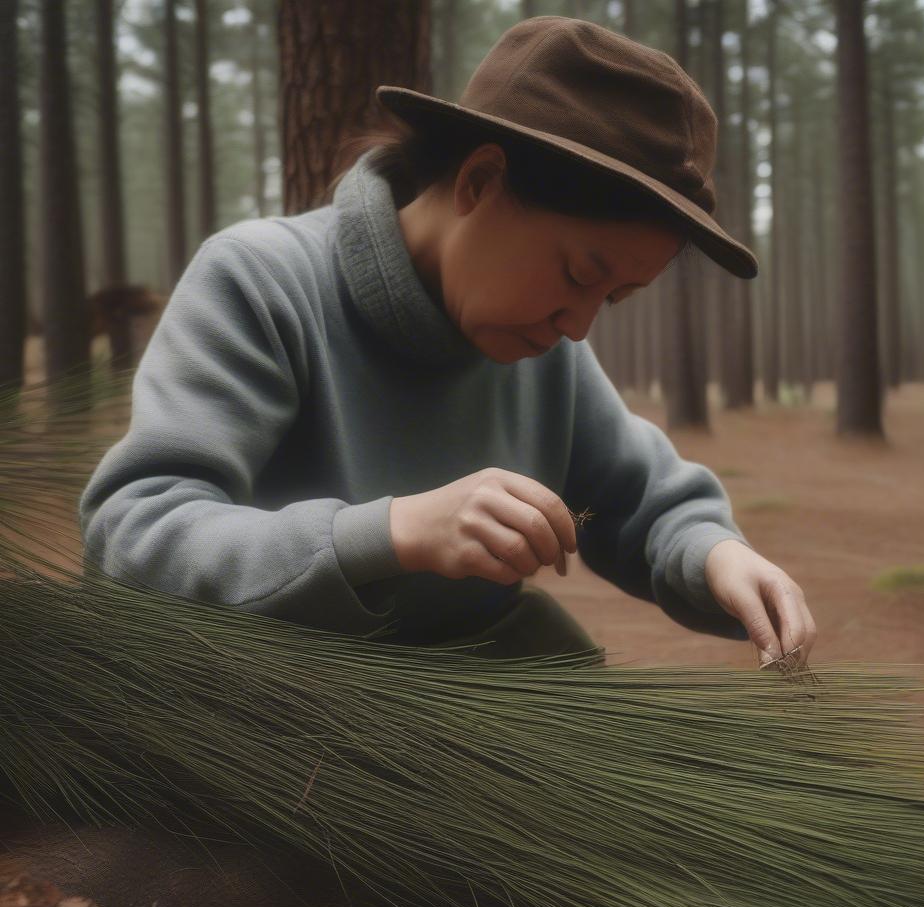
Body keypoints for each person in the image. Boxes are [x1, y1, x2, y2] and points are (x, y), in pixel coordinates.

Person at [79, 16, 816, 669]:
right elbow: (134, 531)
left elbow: (634, 502)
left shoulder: (543, 346)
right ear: (480, 181)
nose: (579, 325)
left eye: (615, 297)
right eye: (577, 274)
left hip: (481, 710)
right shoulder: (264, 283)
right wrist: (390, 532)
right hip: (276, 725)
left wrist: (717, 555)